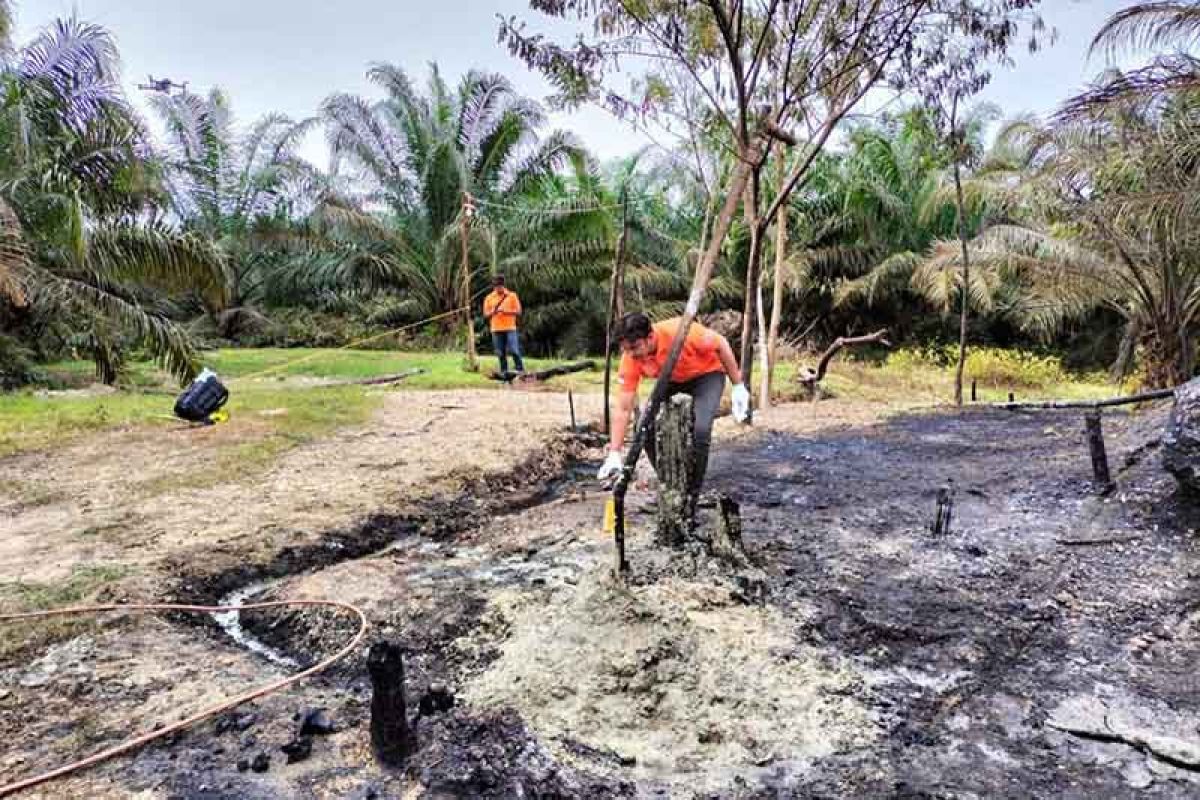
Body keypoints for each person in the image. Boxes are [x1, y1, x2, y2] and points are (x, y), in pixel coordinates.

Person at [597, 312, 750, 489]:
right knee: (645, 427)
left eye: (635, 347)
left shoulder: (683, 332)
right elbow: (623, 407)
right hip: (670, 380)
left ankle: (693, 489)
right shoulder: (631, 358)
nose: (631, 354)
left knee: (700, 430)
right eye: (626, 349)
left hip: (707, 375)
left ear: (650, 337)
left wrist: (738, 385)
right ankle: (669, 483)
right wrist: (615, 452)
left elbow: (721, 344)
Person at [482, 274, 525, 375]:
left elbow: (519, 311)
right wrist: (492, 312)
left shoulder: (512, 295)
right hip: (496, 328)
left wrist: (507, 311)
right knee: (500, 353)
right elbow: (485, 314)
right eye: (496, 286)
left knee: (514, 350)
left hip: (510, 327)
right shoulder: (489, 298)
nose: (498, 288)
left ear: (503, 285)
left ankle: (521, 371)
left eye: (499, 286)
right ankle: (504, 374)